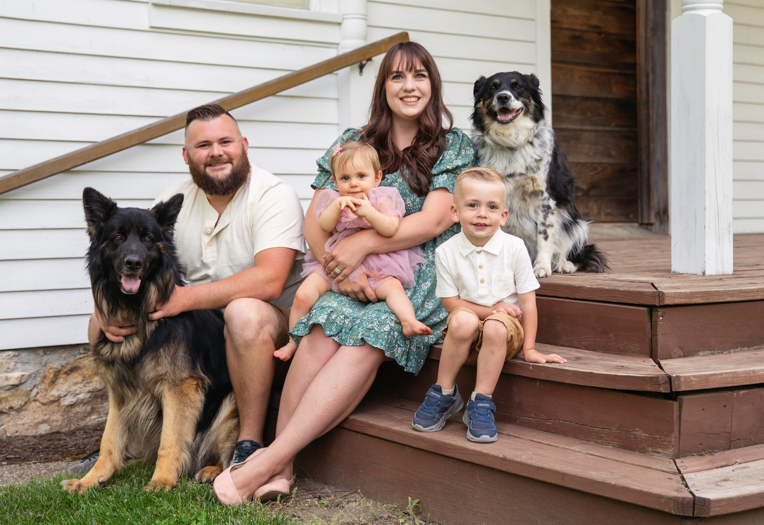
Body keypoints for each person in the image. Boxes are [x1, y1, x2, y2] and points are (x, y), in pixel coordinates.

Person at [212, 41, 475, 504]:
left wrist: (364, 243)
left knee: (369, 333)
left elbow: (434, 220)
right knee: (321, 328)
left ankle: (270, 459)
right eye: (397, 77)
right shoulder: (353, 142)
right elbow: (315, 220)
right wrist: (338, 270)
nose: (409, 86)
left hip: (416, 275)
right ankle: (284, 468)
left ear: (432, 85)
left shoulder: (451, 145)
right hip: (344, 271)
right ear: (383, 87)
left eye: (419, 76)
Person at [84, 103, 306, 468]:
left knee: (243, 314)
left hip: (270, 328)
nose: (216, 152)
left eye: (225, 141)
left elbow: (270, 279)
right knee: (98, 324)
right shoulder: (171, 201)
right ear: (187, 156)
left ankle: (248, 440)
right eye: (203, 146)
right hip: (197, 330)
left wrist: (184, 299)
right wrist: (104, 314)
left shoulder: (273, 194)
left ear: (244, 145)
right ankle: (130, 438)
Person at [411, 167, 566, 443]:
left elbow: (528, 302)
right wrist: (493, 308)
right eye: (472, 205)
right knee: (462, 319)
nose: (482, 213)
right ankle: (444, 393)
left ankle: (480, 401)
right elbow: (450, 303)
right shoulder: (446, 252)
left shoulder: (515, 247)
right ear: (455, 213)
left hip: (504, 334)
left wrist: (529, 348)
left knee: (495, 326)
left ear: (503, 216)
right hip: (467, 333)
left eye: (492, 207)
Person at [274, 141, 431, 362]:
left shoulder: (383, 199)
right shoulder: (333, 200)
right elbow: (325, 227)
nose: (354, 184)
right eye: (345, 178)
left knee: (394, 288)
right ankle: (293, 341)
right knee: (302, 295)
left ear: (377, 178)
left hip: (376, 263)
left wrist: (369, 212)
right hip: (338, 264)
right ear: (336, 181)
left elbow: (390, 228)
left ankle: (408, 321)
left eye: (361, 176)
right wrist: (336, 208)